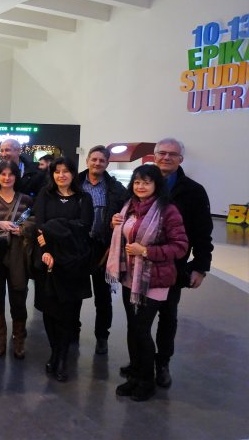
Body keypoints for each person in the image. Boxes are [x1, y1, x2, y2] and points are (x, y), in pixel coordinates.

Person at [124, 138, 213, 389]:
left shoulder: (193, 191)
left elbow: (202, 233)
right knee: (137, 322)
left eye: (172, 154)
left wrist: (200, 266)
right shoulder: (138, 191)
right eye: (162, 153)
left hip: (172, 268)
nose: (166, 157)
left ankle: (162, 364)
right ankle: (139, 365)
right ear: (154, 156)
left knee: (167, 317)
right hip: (136, 270)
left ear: (180, 159)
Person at [108, 164, 188, 401]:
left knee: (142, 330)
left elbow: (180, 246)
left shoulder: (167, 210)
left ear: (156, 185)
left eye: (146, 182)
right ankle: (134, 375)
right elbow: (125, 236)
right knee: (133, 329)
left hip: (154, 280)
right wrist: (116, 224)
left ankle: (146, 380)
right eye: (137, 182)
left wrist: (146, 251)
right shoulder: (128, 207)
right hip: (129, 277)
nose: (141, 186)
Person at [34, 157, 94, 382]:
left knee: (69, 314)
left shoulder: (83, 198)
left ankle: (62, 357)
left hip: (73, 263)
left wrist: (54, 226)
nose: (61, 175)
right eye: (57, 171)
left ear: (73, 174)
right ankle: (54, 352)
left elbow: (84, 228)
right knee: (49, 311)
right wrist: (47, 249)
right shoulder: (45, 195)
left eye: (66, 171)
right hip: (48, 260)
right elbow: (40, 226)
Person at [0, 161, 33, 359]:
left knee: (18, 298)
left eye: (11, 174)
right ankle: (0, 338)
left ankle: (18, 339)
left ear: (16, 177)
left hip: (19, 255)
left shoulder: (26, 200)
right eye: (3, 174)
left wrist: (23, 229)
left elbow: (34, 221)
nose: (7, 178)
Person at [77, 145, 127, 354]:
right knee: (75, 293)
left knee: (103, 296)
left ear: (107, 163)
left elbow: (128, 213)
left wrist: (119, 221)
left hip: (103, 248)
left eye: (102, 160)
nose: (97, 163)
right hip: (78, 246)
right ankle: (73, 330)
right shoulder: (75, 183)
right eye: (94, 159)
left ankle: (102, 336)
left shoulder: (116, 189)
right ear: (87, 160)